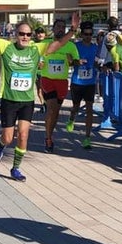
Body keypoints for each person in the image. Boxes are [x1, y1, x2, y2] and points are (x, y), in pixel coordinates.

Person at [0, 4, 78, 182]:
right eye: (21, 34)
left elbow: (59, 43)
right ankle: (2, 144)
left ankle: (16, 168)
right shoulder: (6, 47)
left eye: (28, 34)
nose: (25, 37)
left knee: (24, 134)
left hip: (27, 101)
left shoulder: (37, 49)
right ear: (16, 35)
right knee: (8, 136)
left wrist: (73, 29)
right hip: (9, 100)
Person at [36, 18, 80, 153]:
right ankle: (48, 138)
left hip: (62, 81)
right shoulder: (45, 44)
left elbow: (76, 63)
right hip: (47, 79)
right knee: (51, 108)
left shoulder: (71, 46)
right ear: (53, 29)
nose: (61, 29)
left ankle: (50, 134)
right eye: (58, 27)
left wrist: (72, 61)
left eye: (63, 27)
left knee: (55, 112)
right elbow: (37, 59)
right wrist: (40, 64)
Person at [66, 21, 101, 149]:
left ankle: (87, 138)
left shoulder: (95, 47)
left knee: (89, 110)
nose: (88, 36)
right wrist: (77, 61)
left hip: (90, 83)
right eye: (86, 34)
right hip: (77, 82)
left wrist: (102, 67)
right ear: (82, 34)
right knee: (75, 107)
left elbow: (98, 61)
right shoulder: (76, 46)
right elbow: (69, 61)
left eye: (90, 34)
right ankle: (71, 119)